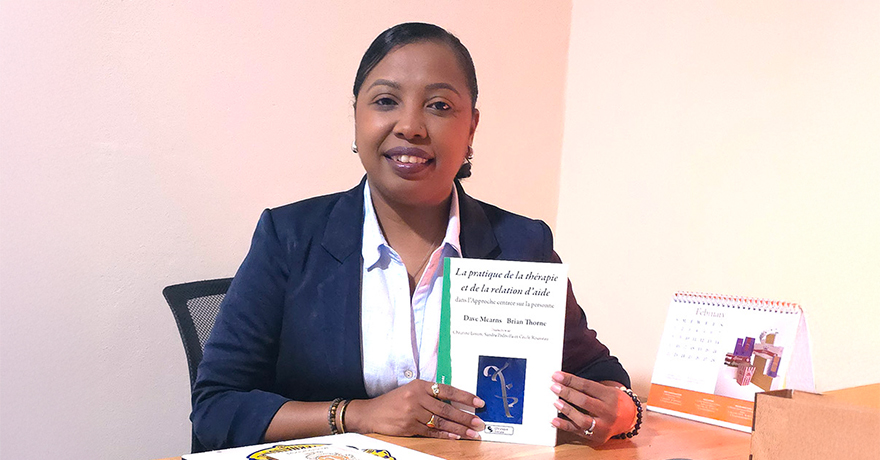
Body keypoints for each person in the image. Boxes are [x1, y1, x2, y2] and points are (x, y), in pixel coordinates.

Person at [191, 22, 640, 452]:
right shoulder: (289, 237)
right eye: (386, 101)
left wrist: (621, 410)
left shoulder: (523, 245)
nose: (410, 126)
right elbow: (216, 406)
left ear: (471, 128)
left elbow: (597, 372)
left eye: (439, 106)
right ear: (356, 116)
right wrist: (356, 415)